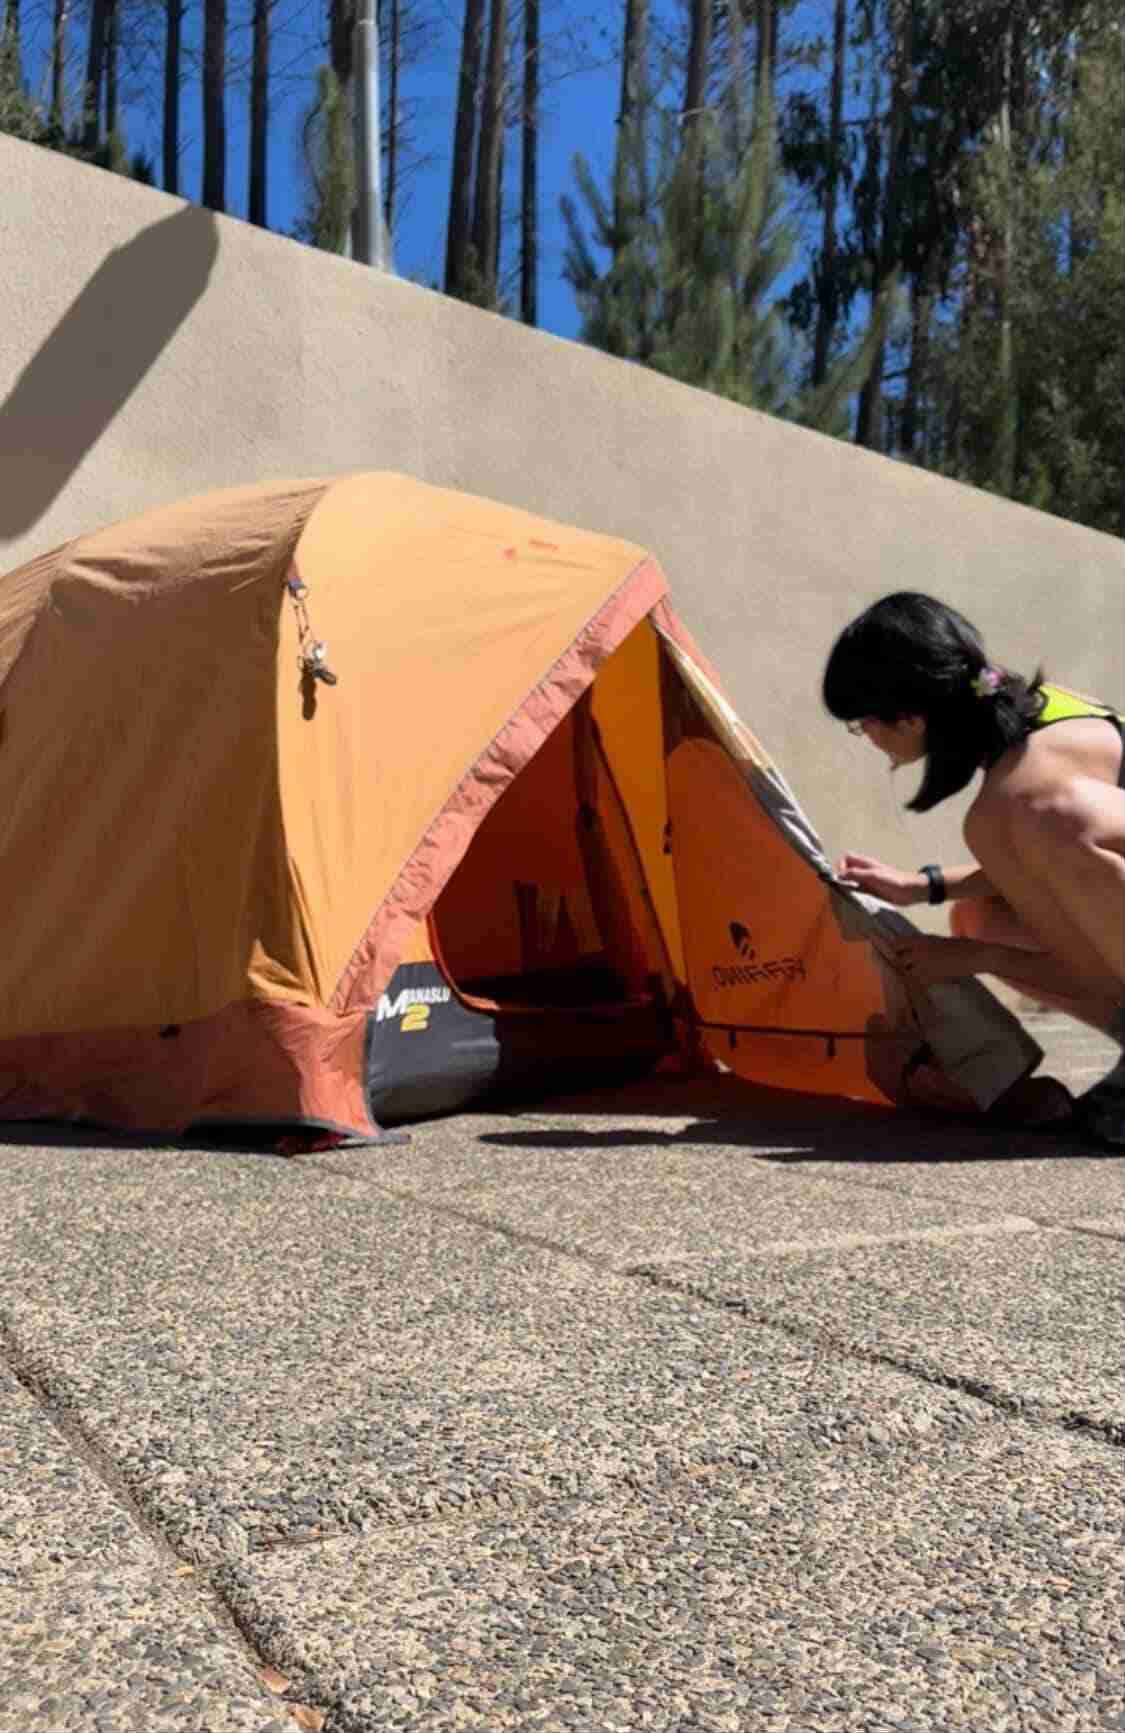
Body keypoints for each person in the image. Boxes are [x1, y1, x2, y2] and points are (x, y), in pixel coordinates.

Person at [822, 591, 1125, 1146]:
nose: (864, 736)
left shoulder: (1020, 801)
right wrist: (920, 889)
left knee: (1017, 869)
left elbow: (1063, 846)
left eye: (861, 722)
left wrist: (980, 959)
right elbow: (1055, 863)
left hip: (1042, 823)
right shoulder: (1039, 714)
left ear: (909, 717)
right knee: (977, 914)